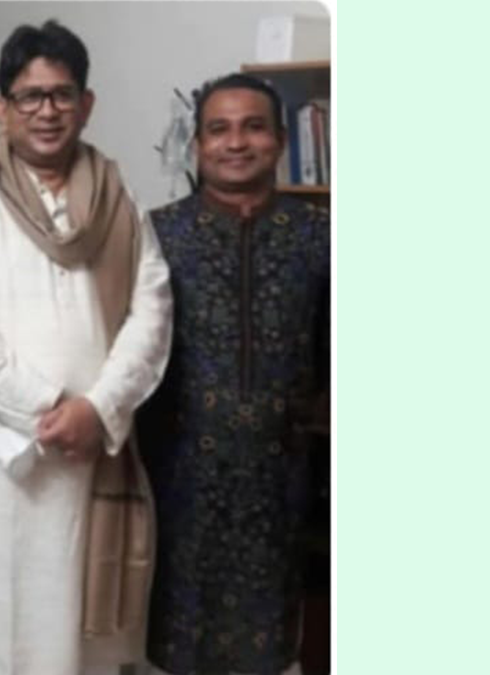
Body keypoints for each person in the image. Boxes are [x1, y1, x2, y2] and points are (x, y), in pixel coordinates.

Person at [0, 19, 173, 675]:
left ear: (86, 104)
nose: (47, 110)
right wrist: (52, 407)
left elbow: (151, 309)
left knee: (71, 635)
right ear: (1, 108)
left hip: (91, 455)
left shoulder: (118, 197)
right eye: (30, 95)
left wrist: (98, 409)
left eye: (62, 94)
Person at [137, 74, 330, 675]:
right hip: (180, 471)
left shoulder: (321, 235)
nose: (236, 142)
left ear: (279, 141)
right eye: (218, 129)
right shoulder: (156, 234)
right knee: (177, 634)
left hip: (283, 473)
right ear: (198, 145)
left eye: (253, 127)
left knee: (270, 638)